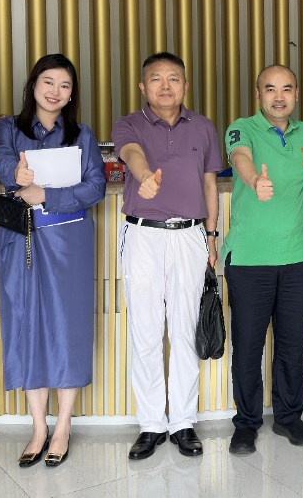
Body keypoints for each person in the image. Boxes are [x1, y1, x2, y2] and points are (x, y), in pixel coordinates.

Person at [0, 54, 106, 467]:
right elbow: (1, 158)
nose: (56, 91)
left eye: (65, 85)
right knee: (26, 324)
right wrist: (16, 175)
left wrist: (48, 195)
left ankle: (63, 426)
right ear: (33, 85)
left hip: (68, 240)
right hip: (20, 237)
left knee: (68, 327)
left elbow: (96, 186)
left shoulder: (81, 134)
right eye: (48, 82)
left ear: (72, 94)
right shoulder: (9, 127)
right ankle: (38, 427)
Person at [112, 52, 222, 459]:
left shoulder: (203, 126)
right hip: (143, 235)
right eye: (156, 78)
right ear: (143, 87)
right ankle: (151, 424)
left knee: (184, 330)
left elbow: (209, 184)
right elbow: (131, 153)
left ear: (185, 86)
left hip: (190, 235)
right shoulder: (129, 123)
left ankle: (183, 422)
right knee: (145, 330)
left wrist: (212, 235)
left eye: (173, 78)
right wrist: (143, 177)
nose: (165, 86)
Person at [222, 65, 303, 455]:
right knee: (248, 347)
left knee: (291, 345)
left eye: (287, 89)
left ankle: (288, 417)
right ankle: (246, 424)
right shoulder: (241, 128)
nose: (279, 96)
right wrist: (254, 180)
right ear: (258, 93)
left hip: (296, 258)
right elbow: (240, 157)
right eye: (271, 89)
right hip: (249, 258)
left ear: (296, 93)